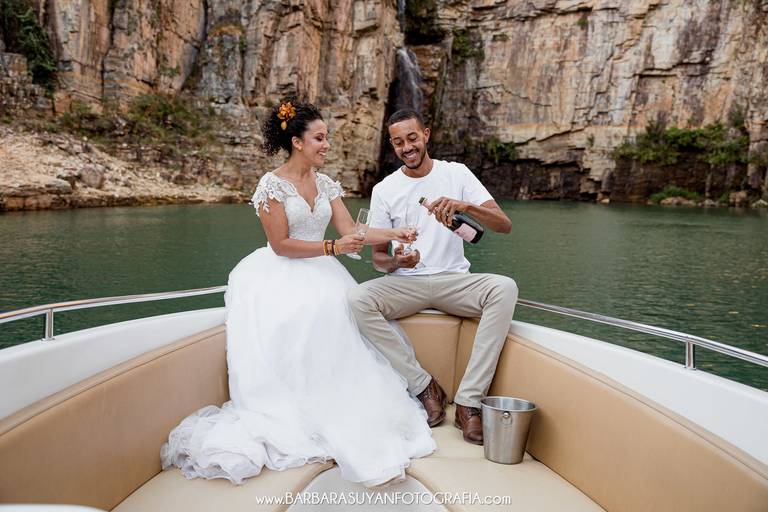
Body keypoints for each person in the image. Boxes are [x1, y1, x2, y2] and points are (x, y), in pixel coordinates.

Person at [161, 101, 436, 487]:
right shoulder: (271, 185)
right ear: (297, 142)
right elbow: (281, 245)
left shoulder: (326, 184)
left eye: (327, 137)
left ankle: (339, 405)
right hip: (282, 273)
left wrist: (394, 233)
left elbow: (350, 230)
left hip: (325, 271)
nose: (327, 145)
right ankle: (299, 410)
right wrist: (332, 248)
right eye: (319, 138)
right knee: (307, 316)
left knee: (342, 314)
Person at [348, 109, 518, 445]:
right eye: (398, 142)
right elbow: (378, 259)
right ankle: (424, 386)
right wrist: (397, 262)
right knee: (357, 299)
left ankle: (469, 402)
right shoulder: (384, 189)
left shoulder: (456, 173)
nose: (407, 147)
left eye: (412, 138)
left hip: (454, 281)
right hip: (406, 283)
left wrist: (466, 207)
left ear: (426, 134)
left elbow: (504, 225)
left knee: (504, 288)